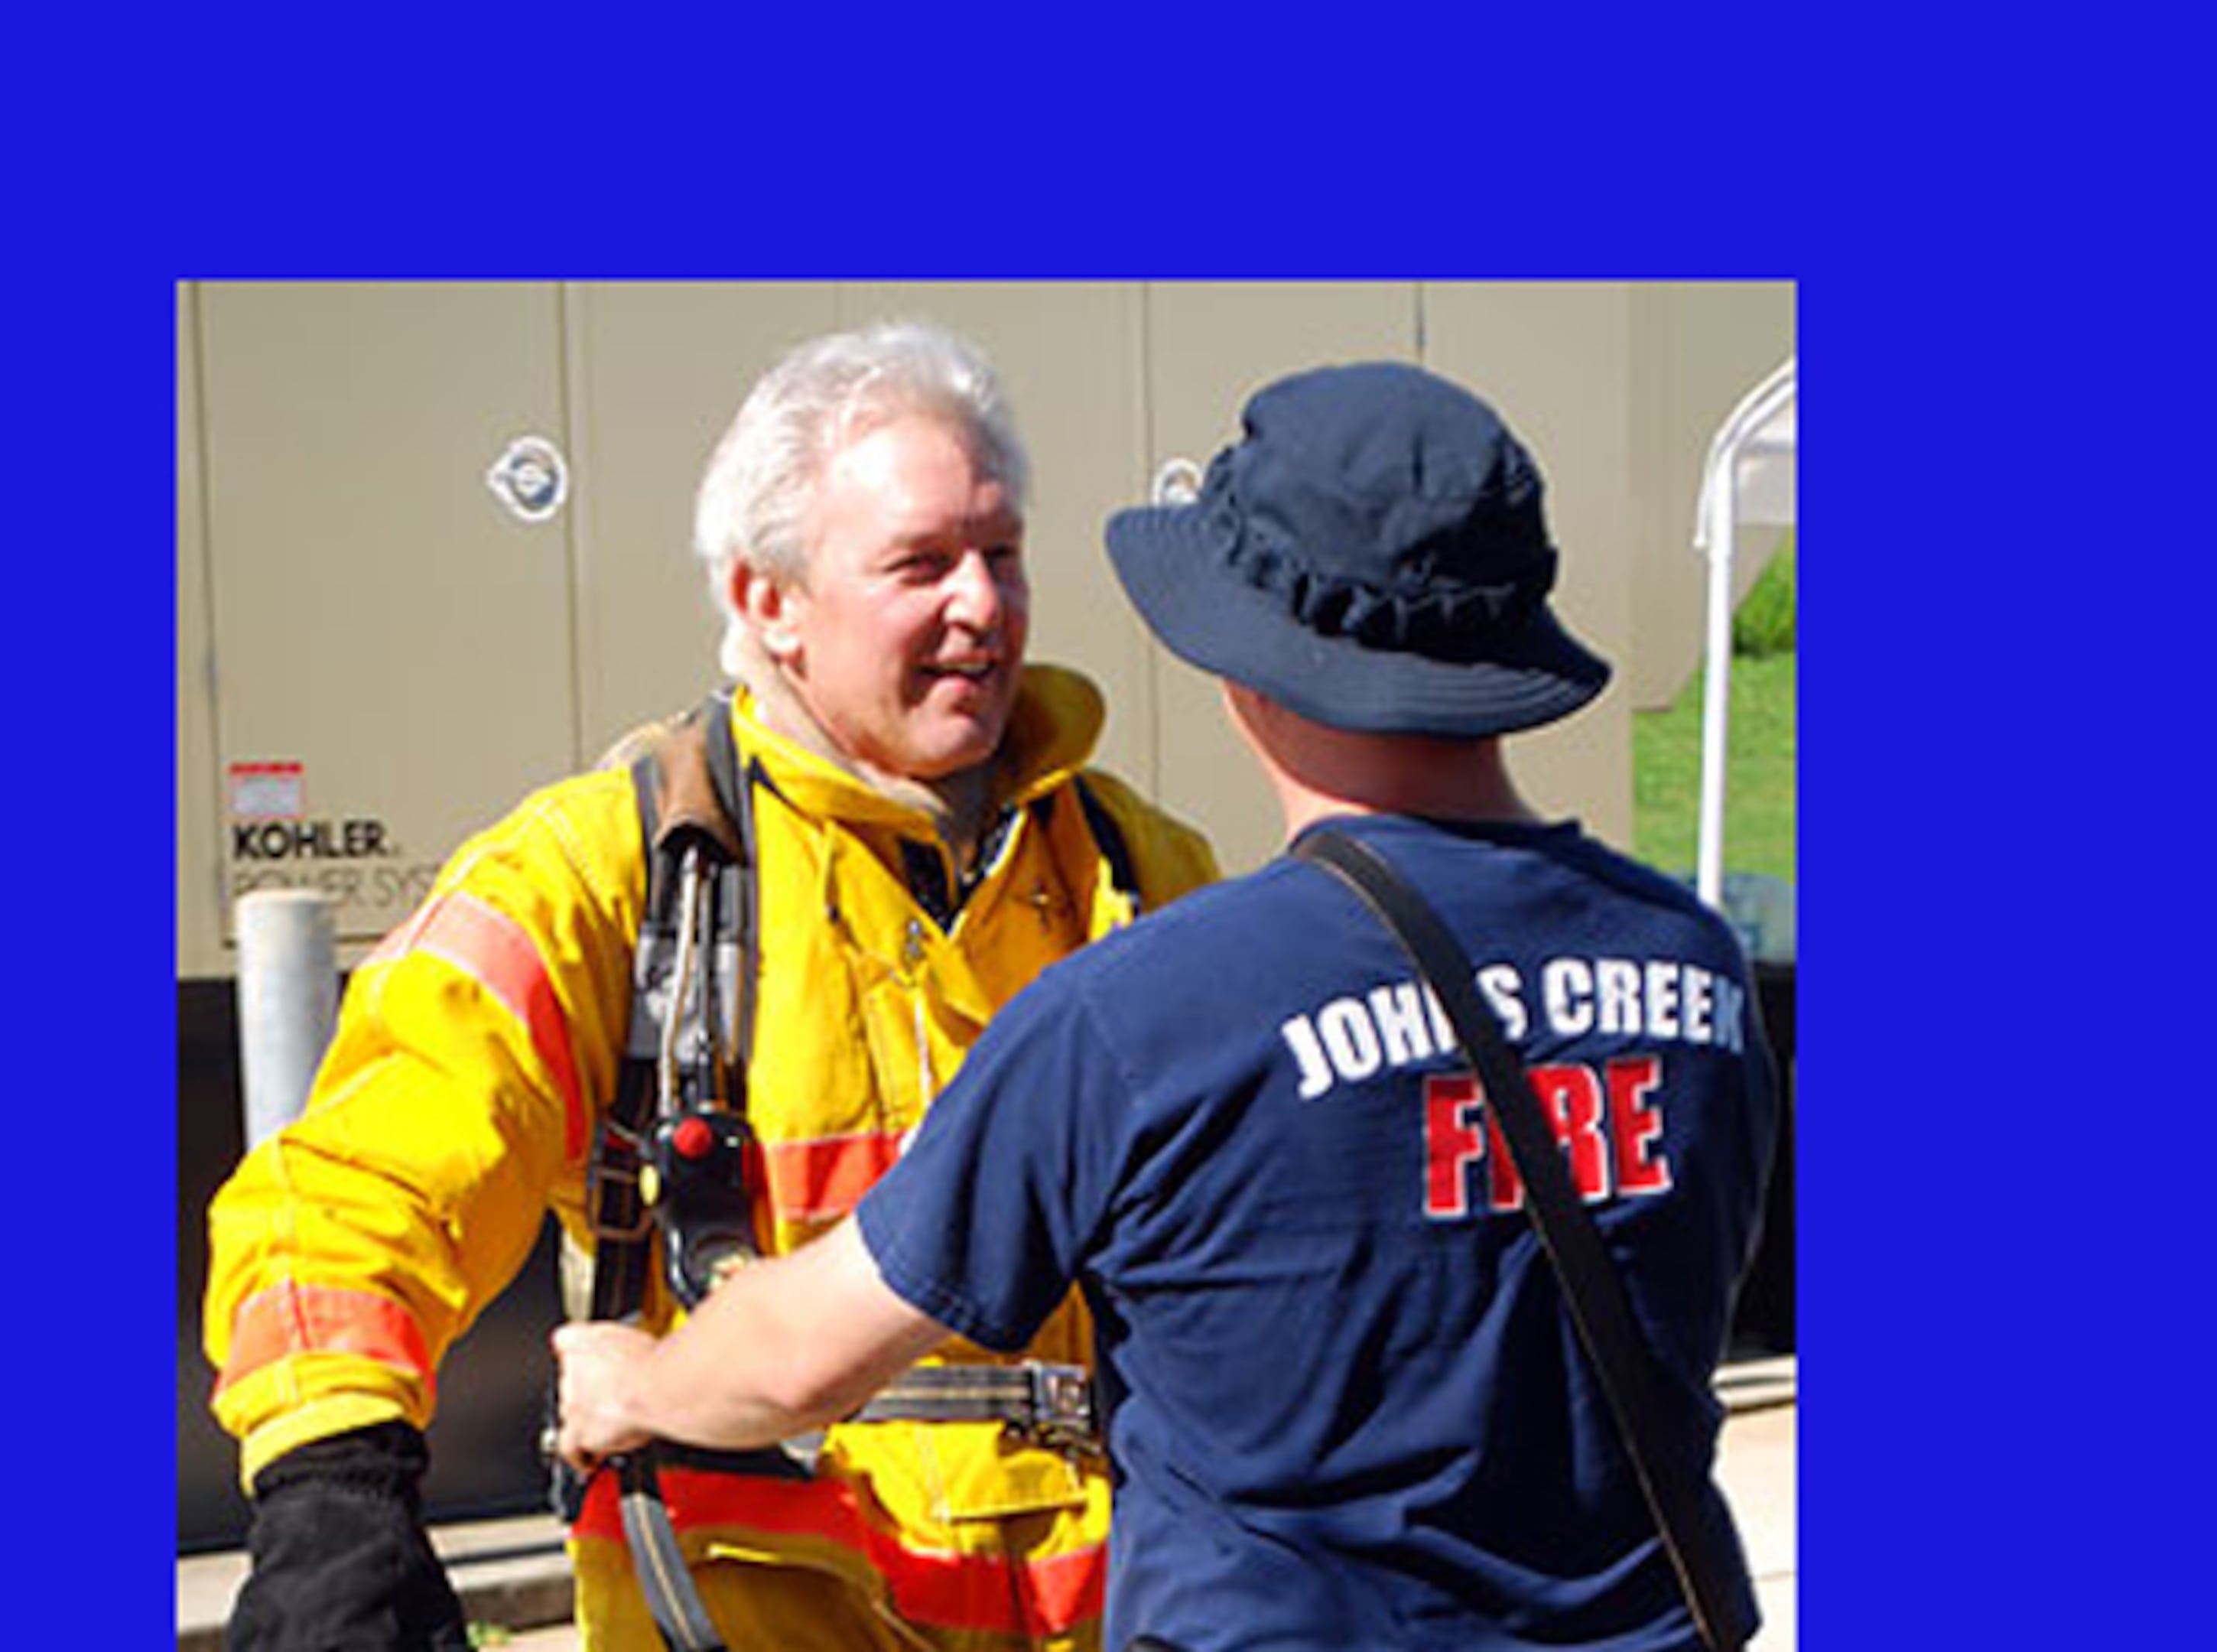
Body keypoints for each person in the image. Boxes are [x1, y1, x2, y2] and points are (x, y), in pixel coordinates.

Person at [556, 361, 1784, 1650]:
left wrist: (641, 1383)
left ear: (1245, 661)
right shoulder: (1694, 967)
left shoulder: (1152, 1013)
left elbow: (806, 1354)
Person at [204, 318, 1221, 1652]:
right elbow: (342, 1203)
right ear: (767, 602)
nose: (982, 603)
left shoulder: (1136, 875)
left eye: (1002, 552)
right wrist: (331, 1502)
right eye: (921, 564)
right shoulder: (607, 873)